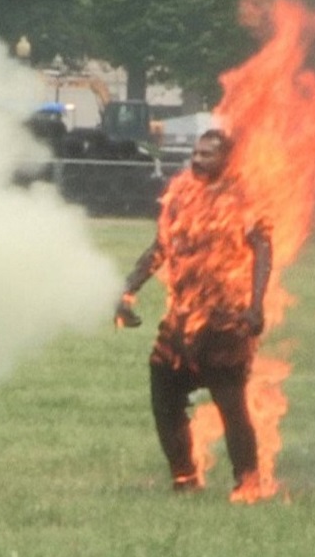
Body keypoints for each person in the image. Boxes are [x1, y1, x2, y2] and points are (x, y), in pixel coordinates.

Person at [115, 128, 272, 503]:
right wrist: (127, 289)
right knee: (164, 394)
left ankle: (248, 482)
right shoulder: (181, 194)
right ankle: (184, 477)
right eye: (196, 153)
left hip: (225, 320)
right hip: (182, 319)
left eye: (207, 154)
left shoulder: (243, 197)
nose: (197, 159)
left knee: (231, 405)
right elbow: (160, 248)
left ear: (227, 160)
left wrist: (255, 306)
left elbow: (263, 250)